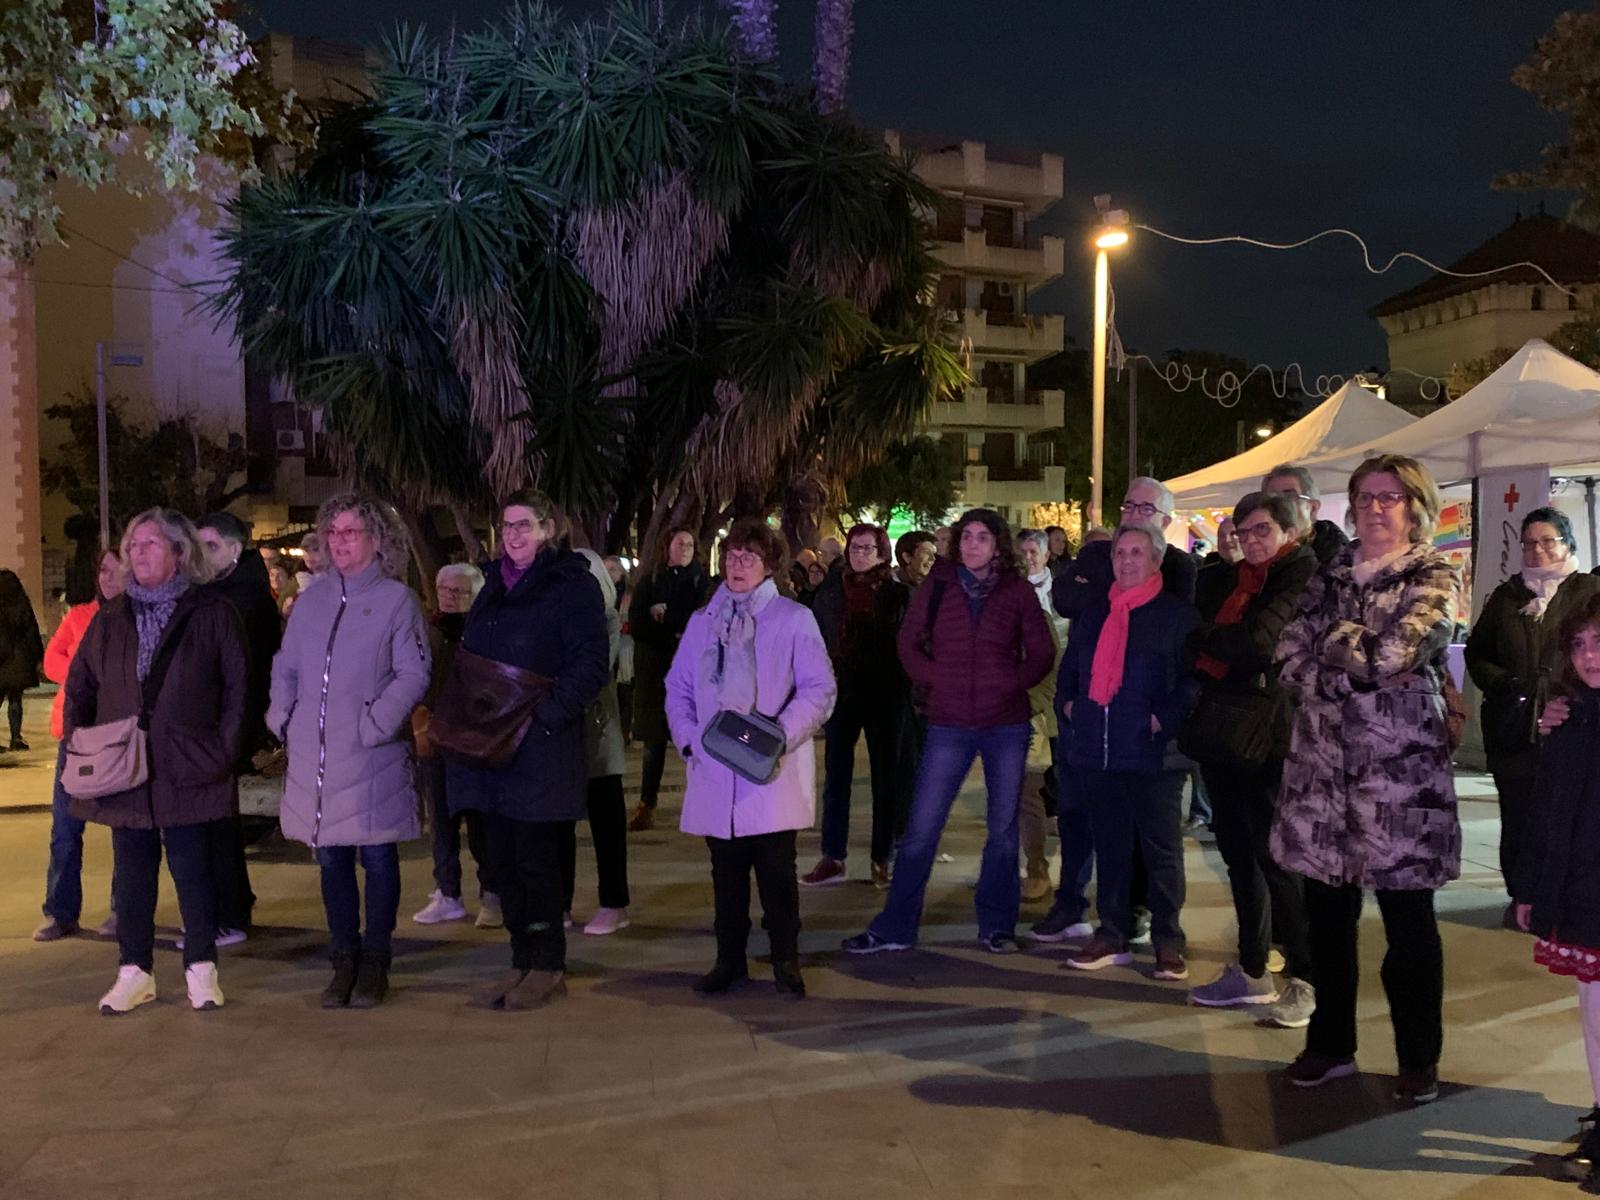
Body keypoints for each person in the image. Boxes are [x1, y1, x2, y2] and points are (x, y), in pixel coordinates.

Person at [1270, 453, 1460, 1104]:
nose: (1376, 508)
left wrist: (1337, 646)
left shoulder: (1434, 574)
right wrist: (1353, 660)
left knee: (1408, 926)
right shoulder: (1332, 571)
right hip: (1323, 778)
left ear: (1415, 506)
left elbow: (1395, 655)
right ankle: (1330, 1045)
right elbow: (1287, 654)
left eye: (1390, 497)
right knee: (1327, 922)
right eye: (1366, 496)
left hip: (1400, 785)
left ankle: (1418, 1059)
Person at [843, 509, 1054, 956]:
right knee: (921, 828)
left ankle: (996, 924)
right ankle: (896, 926)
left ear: (998, 545)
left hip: (1004, 724)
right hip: (949, 722)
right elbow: (908, 641)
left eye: (983, 537)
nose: (973, 545)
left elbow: (1042, 651)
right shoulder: (939, 586)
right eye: (967, 537)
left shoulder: (1016, 591)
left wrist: (1009, 684)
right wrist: (934, 678)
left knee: (1002, 830)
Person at [66, 509, 247, 1014]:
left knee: (193, 869)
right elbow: (81, 684)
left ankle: (201, 969)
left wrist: (223, 750)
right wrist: (84, 746)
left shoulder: (211, 612)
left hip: (189, 763)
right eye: (133, 545)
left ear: (179, 553)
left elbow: (238, 689)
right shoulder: (111, 616)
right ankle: (134, 970)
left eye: (149, 543)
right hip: (124, 767)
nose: (138, 553)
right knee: (132, 873)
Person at [447, 491, 609, 1011]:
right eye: (506, 526)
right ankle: (521, 959)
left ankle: (547, 964)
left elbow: (589, 665)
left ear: (549, 528)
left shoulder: (570, 585)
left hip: (538, 746)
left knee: (537, 860)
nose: (512, 535)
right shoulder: (493, 585)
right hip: (493, 746)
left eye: (523, 525)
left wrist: (543, 719)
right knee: (501, 861)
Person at [268, 494, 431, 1009]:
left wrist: (376, 723)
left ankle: (376, 960)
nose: (339, 541)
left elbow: (413, 672)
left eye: (350, 532)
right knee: (331, 861)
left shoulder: (395, 601)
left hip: (370, 753)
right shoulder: (311, 602)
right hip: (315, 757)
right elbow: (285, 666)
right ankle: (343, 957)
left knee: (378, 857)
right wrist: (284, 717)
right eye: (332, 532)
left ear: (377, 540)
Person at [667, 518, 836, 997]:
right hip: (715, 769)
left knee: (777, 873)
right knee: (726, 875)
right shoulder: (703, 622)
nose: (737, 565)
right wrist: (688, 741)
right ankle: (730, 960)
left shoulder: (792, 618)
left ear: (769, 566)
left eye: (749, 557)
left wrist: (777, 736)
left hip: (770, 771)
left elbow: (820, 688)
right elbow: (678, 687)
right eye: (732, 556)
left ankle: (786, 959)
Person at [1183, 492, 1319, 1026]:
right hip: (1227, 730)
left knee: (1276, 857)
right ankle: (1253, 967)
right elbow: (1200, 646)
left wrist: (1205, 639)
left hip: (1272, 734)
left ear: (1289, 530)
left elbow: (1261, 643)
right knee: (1238, 854)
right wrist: (1212, 642)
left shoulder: (1300, 575)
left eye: (1262, 530)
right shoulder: (1230, 579)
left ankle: (1305, 979)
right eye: (1244, 532)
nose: (1253, 541)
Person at [1057, 523, 1199, 980]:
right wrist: (1069, 704)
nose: (1127, 561)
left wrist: (1164, 718)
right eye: (1120, 553)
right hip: (1098, 749)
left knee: (1161, 851)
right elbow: (1073, 665)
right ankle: (1112, 930)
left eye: (1138, 553)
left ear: (1156, 561)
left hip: (1154, 755)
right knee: (1112, 847)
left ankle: (1168, 939)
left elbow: (1193, 682)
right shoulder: (1097, 612)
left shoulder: (1177, 616)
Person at [1466, 507, 1600, 919]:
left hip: (1571, 721)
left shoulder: (1587, 591)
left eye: (1548, 541)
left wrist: (1568, 694)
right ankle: (1521, 892)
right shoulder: (1508, 596)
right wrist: (1504, 685)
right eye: (1529, 543)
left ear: (1568, 544)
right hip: (1515, 724)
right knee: (1519, 810)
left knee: (1569, 811)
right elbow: (1478, 651)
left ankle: (1563, 892)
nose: (1538, 550)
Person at [1512, 593, 1600, 1188]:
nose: (1590, 655)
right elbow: (1546, 812)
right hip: (1584, 890)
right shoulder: (1572, 719)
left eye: (1599, 641)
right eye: (1579, 644)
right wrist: (1533, 889)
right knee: (1594, 1012)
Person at [803, 524, 912, 889]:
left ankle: (883, 857)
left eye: (867, 548)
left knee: (886, 778)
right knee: (836, 776)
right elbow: (815, 641)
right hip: (843, 693)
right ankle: (833, 856)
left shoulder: (898, 595)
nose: (859, 554)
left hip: (886, 695)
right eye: (854, 547)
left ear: (882, 552)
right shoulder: (832, 593)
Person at [196, 511, 282, 944]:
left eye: (210, 546)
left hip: (228, 728)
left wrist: (242, 733)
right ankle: (226, 909)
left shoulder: (243, 599)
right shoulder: (217, 593)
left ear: (234, 548)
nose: (201, 555)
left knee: (219, 823)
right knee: (213, 824)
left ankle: (230, 913)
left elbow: (251, 672)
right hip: (215, 727)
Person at [34, 548, 124, 943]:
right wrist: (83, 670)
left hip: (118, 737)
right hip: (73, 736)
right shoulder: (79, 616)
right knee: (65, 830)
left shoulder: (135, 618)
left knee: (126, 830)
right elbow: (50, 661)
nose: (108, 578)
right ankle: (60, 911)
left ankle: (125, 910)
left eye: (116, 571)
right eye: (103, 569)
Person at [412, 563, 500, 929]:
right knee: (442, 822)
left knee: (481, 823)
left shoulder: (486, 634)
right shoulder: (426, 633)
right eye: (445, 589)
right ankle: (447, 892)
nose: (451, 596)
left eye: (460, 591)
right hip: (435, 741)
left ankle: (492, 894)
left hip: (474, 743)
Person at [559, 549, 633, 936]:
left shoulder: (603, 620)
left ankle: (614, 902)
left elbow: (594, 670)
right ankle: (561, 902)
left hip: (596, 732)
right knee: (558, 823)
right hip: (564, 733)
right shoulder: (560, 617)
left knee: (606, 820)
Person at [627, 529, 710, 832]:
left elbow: (700, 622)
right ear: (668, 547)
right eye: (680, 543)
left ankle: (701, 801)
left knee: (694, 741)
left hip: (692, 674)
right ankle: (647, 803)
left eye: (690, 543)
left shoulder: (702, 581)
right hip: (656, 674)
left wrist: (667, 619)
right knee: (654, 744)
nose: (686, 548)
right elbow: (638, 624)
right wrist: (668, 629)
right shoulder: (650, 581)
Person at [1017, 529, 1067, 903]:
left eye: (1034, 551)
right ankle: (1029, 865)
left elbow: (1054, 658)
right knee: (1023, 791)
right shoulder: (1004, 598)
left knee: (1046, 786)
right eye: (1022, 552)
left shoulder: (1061, 594)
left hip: (1050, 704)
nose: (1028, 558)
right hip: (1013, 711)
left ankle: (1041, 864)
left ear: (1047, 554)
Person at [1262, 463, 1350, 565]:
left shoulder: (1342, 561)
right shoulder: (1255, 559)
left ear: (1313, 508)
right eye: (1272, 499)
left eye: (1290, 497)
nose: (1280, 505)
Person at [0, 568, 43, 751]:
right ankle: (16, 738)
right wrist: (38, 655)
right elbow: (31, 630)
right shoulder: (21, 604)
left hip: (1, 659)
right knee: (15, 699)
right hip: (19, 660)